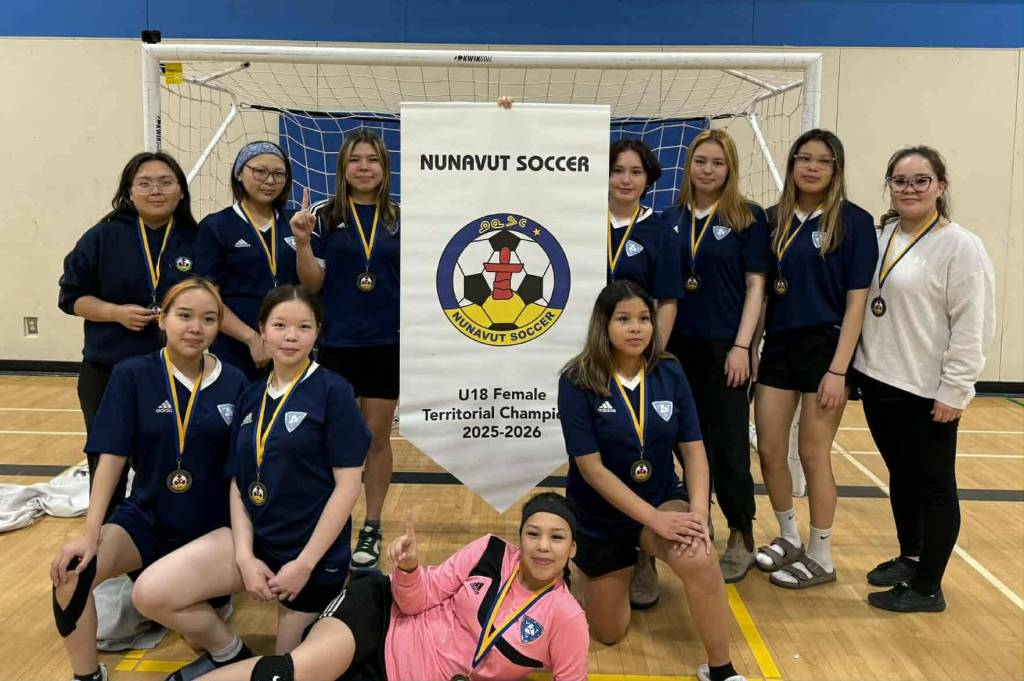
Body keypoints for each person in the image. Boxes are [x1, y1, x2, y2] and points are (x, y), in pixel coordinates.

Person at [131, 285, 370, 681]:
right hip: (256, 543)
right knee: (151, 593)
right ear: (262, 331)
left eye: (303, 326)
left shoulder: (334, 392)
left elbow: (348, 487)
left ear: (317, 333)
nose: (290, 336)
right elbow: (240, 484)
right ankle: (229, 652)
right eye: (279, 325)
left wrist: (304, 564)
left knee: (284, 671)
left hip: (310, 556)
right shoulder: (251, 393)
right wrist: (244, 555)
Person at [50, 278, 247, 681]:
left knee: (189, 622)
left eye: (209, 319)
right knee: (72, 571)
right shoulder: (131, 374)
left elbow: (245, 474)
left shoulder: (236, 382)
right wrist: (91, 534)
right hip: (149, 519)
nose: (196, 327)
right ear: (163, 320)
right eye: (185, 316)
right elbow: (111, 460)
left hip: (211, 528)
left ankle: (230, 651)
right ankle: (87, 676)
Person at [558, 280, 747, 681]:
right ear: (603, 325)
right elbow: (591, 470)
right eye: (624, 319)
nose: (636, 328)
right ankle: (610, 564)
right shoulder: (577, 379)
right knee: (608, 633)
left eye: (644, 318)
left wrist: (698, 514)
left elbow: (694, 450)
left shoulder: (670, 370)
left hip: (661, 498)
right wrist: (653, 521)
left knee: (699, 555)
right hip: (600, 514)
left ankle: (721, 669)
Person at [197, 493, 589, 681]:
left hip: (393, 675)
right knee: (289, 674)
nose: (542, 546)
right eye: (533, 534)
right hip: (381, 616)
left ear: (572, 548)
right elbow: (416, 601)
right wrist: (409, 568)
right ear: (519, 539)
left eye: (556, 538)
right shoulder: (488, 551)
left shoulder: (566, 617)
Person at [852, 146, 995, 612]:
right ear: (889, 186)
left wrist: (956, 389)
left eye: (920, 180)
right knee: (902, 476)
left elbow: (973, 325)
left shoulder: (961, 246)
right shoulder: (883, 235)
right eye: (900, 180)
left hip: (928, 391)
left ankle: (928, 586)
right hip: (879, 381)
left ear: (941, 185)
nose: (909, 188)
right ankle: (911, 556)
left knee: (934, 484)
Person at [753, 129, 878, 589]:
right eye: (803, 158)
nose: (812, 167)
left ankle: (822, 554)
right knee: (768, 450)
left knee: (812, 453)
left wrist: (839, 370)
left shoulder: (855, 222)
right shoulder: (772, 220)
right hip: (780, 349)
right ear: (791, 165)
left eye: (823, 161)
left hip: (827, 351)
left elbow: (856, 304)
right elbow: (763, 295)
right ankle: (789, 536)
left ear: (836, 169)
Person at [59, 151, 200, 519]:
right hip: (109, 370)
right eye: (145, 183)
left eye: (166, 182)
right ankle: (104, 540)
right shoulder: (102, 236)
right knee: (108, 460)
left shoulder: (198, 238)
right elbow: (71, 298)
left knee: (174, 457)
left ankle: (168, 537)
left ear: (181, 192)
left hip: (179, 373)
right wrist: (115, 313)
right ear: (129, 191)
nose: (156, 190)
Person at [662, 129, 769, 585]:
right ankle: (696, 526)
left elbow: (756, 287)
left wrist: (744, 346)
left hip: (726, 349)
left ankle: (742, 534)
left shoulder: (748, 218)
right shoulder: (668, 218)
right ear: (689, 167)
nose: (708, 170)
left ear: (730, 169)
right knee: (683, 443)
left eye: (717, 163)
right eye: (701, 162)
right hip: (673, 348)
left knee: (726, 448)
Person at [290, 129, 400, 570]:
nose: (364, 167)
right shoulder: (324, 215)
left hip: (387, 341)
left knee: (375, 436)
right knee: (339, 438)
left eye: (372, 159)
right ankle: (333, 524)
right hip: (338, 341)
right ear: (342, 168)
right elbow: (311, 284)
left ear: (384, 167)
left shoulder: (399, 216)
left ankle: (371, 524)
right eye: (355, 160)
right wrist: (301, 242)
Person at [193, 141, 298, 380]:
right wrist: (251, 338)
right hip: (236, 347)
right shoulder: (216, 226)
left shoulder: (296, 223)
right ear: (240, 173)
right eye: (260, 171)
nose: (270, 181)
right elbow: (209, 298)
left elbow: (310, 286)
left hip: (290, 343)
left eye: (278, 174)